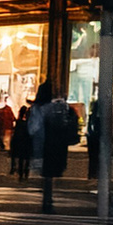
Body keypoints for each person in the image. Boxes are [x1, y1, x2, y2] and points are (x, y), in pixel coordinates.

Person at [28, 84, 74, 214]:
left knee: (45, 173)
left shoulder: (40, 108)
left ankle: (46, 199)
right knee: (50, 174)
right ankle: (49, 199)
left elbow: (34, 129)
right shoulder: (57, 108)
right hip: (56, 145)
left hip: (43, 143)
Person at [8, 92, 34, 180]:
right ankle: (25, 173)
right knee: (26, 158)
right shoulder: (28, 123)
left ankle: (20, 172)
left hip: (19, 141)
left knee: (20, 158)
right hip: (26, 141)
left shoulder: (19, 122)